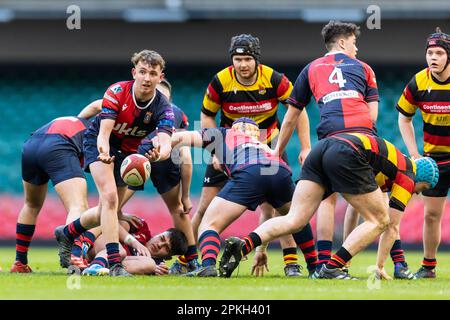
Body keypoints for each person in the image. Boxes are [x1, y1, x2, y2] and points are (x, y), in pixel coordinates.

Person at [183, 33, 317, 277]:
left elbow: (299, 111)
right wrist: (215, 150)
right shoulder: (221, 81)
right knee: (204, 206)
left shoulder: (274, 79)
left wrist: (305, 147)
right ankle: (187, 260)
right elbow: (206, 116)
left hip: (268, 147)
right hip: (229, 147)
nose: (242, 64)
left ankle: (291, 264)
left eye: (247, 59)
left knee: (284, 210)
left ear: (256, 59)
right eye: (237, 59)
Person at [219, 132, 438, 279]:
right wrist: (379, 266)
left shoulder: (392, 165)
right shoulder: (408, 175)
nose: (418, 193)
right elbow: (391, 227)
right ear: (423, 179)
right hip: (345, 153)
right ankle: (332, 268)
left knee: (295, 219)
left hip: (323, 147)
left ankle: (243, 245)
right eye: (422, 188)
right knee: (379, 221)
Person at [54, 50, 174, 277]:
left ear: (160, 77)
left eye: (152, 73)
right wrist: (104, 151)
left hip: (129, 152)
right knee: (109, 198)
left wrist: (160, 153)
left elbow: (166, 143)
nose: (147, 78)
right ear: (134, 73)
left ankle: (68, 232)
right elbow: (104, 132)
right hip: (100, 143)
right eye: (142, 72)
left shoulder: (163, 106)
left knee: (107, 209)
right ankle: (114, 264)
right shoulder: (117, 91)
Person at [271, 21, 379, 271]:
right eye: (354, 42)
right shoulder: (364, 68)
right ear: (342, 42)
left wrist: (277, 151)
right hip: (361, 143)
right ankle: (347, 263)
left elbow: (290, 118)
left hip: (327, 145)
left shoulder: (310, 69)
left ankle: (317, 261)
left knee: (312, 209)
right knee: (380, 211)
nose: (356, 48)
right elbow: (372, 116)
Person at [168, 117, 298, 277]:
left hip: (246, 169)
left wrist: (162, 143)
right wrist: (261, 249)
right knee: (296, 218)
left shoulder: (225, 133)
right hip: (275, 168)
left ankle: (206, 265)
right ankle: (313, 266)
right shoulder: (266, 146)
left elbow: (184, 136)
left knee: (208, 221)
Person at [10, 111, 95, 273]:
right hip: (59, 144)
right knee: (77, 205)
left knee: (31, 204)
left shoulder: (82, 121)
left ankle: (20, 262)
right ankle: (75, 257)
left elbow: (98, 105)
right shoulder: (104, 129)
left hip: (31, 144)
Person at [396, 27, 450, 279]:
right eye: (430, 53)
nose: (433, 57)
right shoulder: (418, 82)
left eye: (439, 53)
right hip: (435, 161)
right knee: (431, 215)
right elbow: (403, 118)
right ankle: (429, 267)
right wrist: (414, 153)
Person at [81, 218, 188, 276]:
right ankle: (90, 260)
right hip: (98, 245)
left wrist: (152, 271)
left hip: (110, 259)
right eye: (162, 238)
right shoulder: (141, 227)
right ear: (158, 233)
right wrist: (134, 243)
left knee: (150, 264)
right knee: (119, 251)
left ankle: (92, 268)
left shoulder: (156, 264)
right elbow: (112, 224)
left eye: (166, 248)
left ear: (168, 257)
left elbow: (153, 267)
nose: (159, 245)